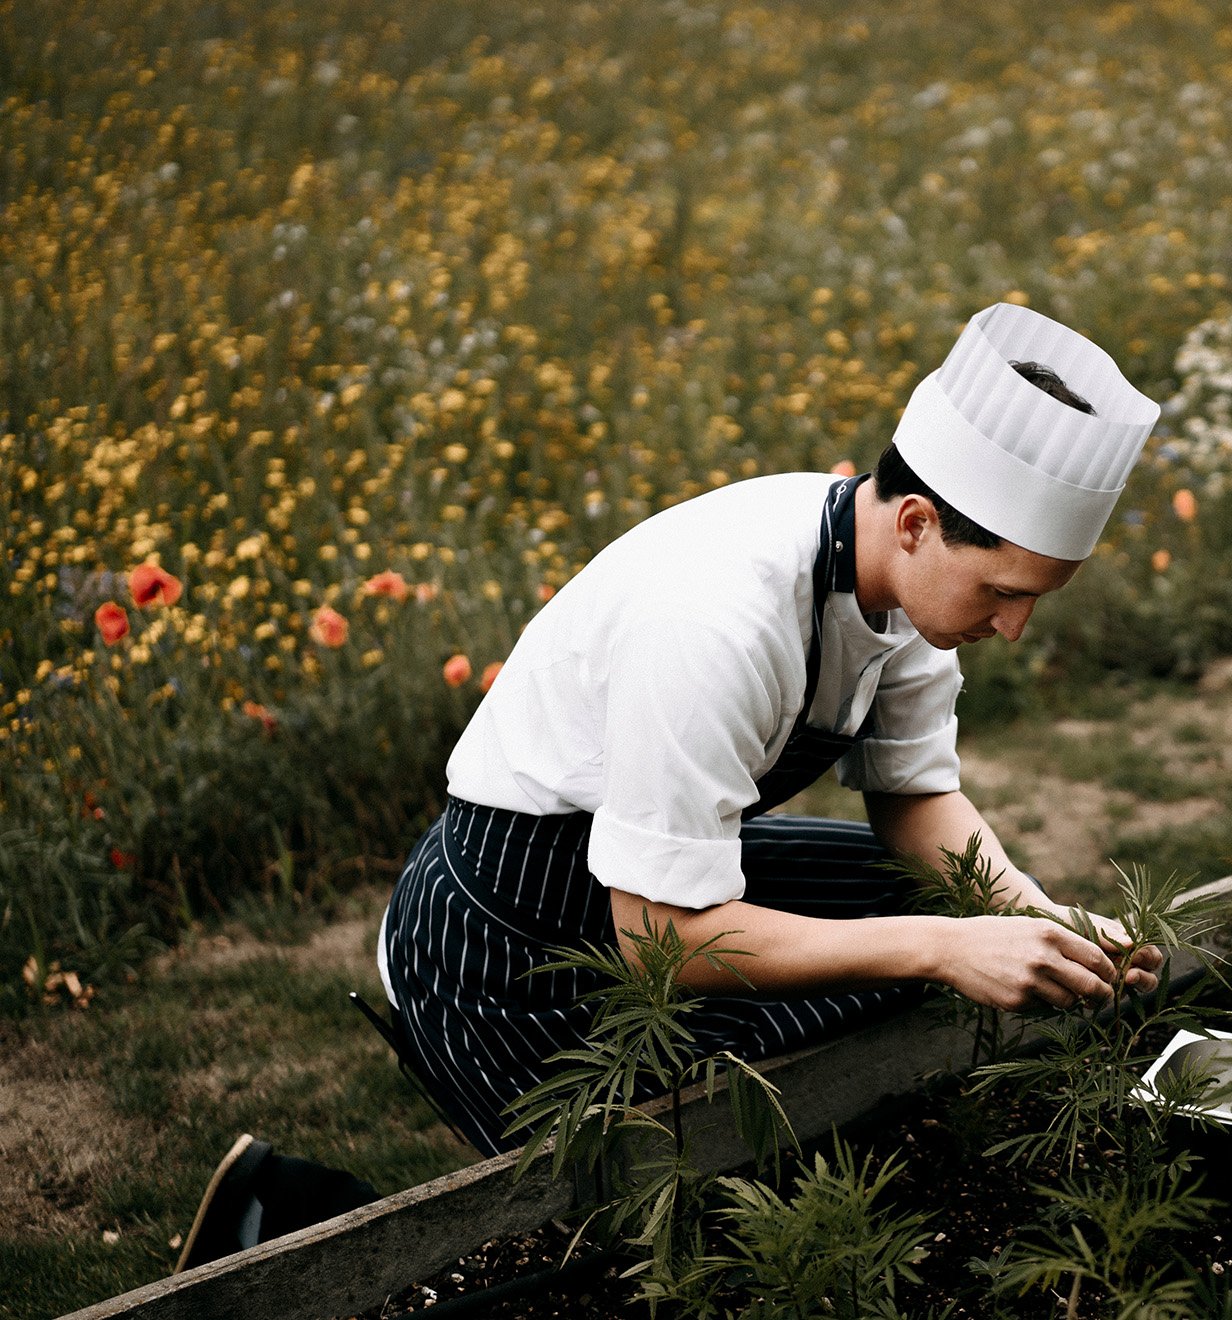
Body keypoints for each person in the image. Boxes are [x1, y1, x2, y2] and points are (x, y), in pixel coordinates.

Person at [178, 300, 1166, 1268]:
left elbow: (915, 799)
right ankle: (283, 1215)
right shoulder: (720, 621)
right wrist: (947, 947)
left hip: (652, 877)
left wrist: (1037, 921)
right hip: (507, 933)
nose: (1013, 628)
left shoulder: (900, 592)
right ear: (915, 521)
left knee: (907, 916)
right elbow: (664, 941)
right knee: (625, 1240)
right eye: (1004, 593)